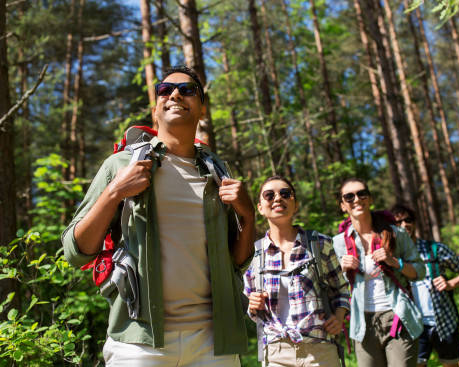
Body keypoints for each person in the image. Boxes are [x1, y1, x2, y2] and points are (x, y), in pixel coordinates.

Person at [61, 65, 255, 366]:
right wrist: (114, 192)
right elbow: (75, 252)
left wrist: (249, 214)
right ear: (156, 111)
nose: (175, 94)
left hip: (213, 343)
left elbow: (237, 262)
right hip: (139, 343)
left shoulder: (217, 171)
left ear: (201, 109)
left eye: (188, 90)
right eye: (165, 90)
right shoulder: (122, 164)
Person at [244, 175, 350, 366]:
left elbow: (342, 289)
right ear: (260, 208)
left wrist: (339, 317)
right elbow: (250, 306)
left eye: (285, 193)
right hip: (275, 352)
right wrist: (252, 304)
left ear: (296, 204)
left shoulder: (320, 244)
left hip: (320, 350)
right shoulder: (254, 254)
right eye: (269, 195)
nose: (277, 198)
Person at [332, 178, 425, 367]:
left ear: (370, 198)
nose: (356, 199)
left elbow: (420, 271)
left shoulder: (396, 234)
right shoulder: (338, 242)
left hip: (398, 316)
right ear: (343, 205)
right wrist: (341, 268)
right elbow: (331, 286)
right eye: (349, 196)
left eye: (361, 193)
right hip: (362, 323)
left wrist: (394, 261)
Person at [390, 204, 459, 367]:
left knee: (451, 364)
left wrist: (451, 283)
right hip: (411, 325)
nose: (404, 225)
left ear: (414, 223)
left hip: (444, 321)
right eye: (398, 222)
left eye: (408, 220)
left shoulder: (434, 249)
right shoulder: (392, 256)